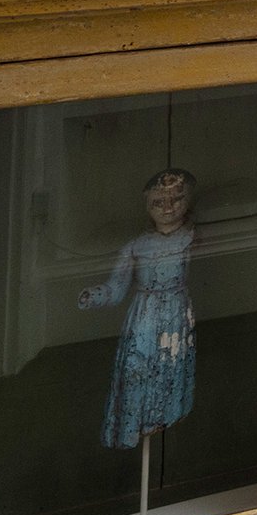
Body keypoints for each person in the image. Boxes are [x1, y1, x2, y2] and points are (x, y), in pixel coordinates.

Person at [79, 166, 200, 448]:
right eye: (159, 202)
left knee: (171, 371)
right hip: (144, 318)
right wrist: (93, 295)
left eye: (176, 199)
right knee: (139, 370)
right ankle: (138, 424)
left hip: (177, 316)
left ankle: (165, 416)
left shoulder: (193, 237)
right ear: (147, 205)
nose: (168, 208)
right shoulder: (137, 246)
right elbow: (116, 289)